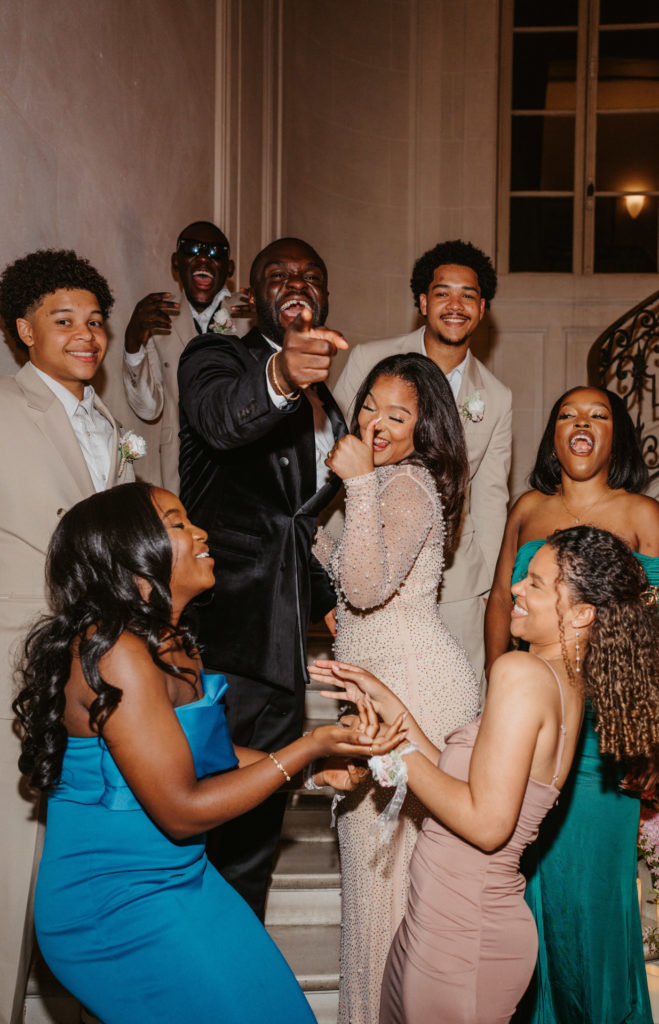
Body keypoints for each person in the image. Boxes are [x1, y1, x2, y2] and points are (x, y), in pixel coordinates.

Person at [12, 482, 405, 1024]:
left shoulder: (173, 644)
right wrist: (309, 745)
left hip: (183, 876)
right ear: (131, 554)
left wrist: (317, 770)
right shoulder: (116, 652)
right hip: (111, 902)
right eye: (178, 524)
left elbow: (214, 759)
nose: (201, 533)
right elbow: (181, 810)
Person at [311, 526, 659, 1024]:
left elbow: (487, 825)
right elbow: (462, 784)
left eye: (536, 583)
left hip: (462, 935)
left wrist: (392, 748)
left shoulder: (521, 674)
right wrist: (387, 701)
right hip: (442, 918)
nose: (515, 587)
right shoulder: (558, 680)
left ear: (582, 614)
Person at [0, 249, 137, 1024]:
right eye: (63, 320)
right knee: (2, 899)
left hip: (93, 687)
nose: (86, 335)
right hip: (5, 682)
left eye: (96, 321)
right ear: (23, 330)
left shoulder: (112, 425)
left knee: (78, 888)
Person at [177, 236, 348, 918]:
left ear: (326, 295)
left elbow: (294, 525)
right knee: (201, 819)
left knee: (255, 832)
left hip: (284, 646)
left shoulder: (330, 405)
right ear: (254, 296)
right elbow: (223, 423)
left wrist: (329, 601)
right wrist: (280, 374)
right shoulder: (215, 358)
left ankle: (238, 947)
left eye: (311, 274)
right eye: (279, 274)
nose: (297, 282)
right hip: (219, 638)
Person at [313, 352, 482, 1023]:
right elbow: (353, 575)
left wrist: (356, 483)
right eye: (368, 407)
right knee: (378, 883)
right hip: (385, 684)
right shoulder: (390, 484)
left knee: (384, 889)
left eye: (397, 414)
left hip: (410, 691)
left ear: (424, 427)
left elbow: (365, 586)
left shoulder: (406, 484)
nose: (375, 423)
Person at [485, 385, 659, 1023]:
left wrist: (649, 731)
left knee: (593, 900)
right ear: (553, 434)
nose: (581, 423)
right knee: (529, 894)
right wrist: (496, 688)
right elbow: (500, 602)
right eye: (567, 414)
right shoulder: (528, 509)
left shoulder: (642, 513)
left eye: (598, 415)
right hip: (533, 717)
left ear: (616, 435)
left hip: (608, 731)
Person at [334, 240, 511, 683]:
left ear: (482, 308)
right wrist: (328, 575)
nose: (455, 305)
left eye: (468, 295)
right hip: (367, 567)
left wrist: (487, 590)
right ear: (423, 301)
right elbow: (332, 457)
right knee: (369, 705)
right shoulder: (370, 359)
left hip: (454, 582)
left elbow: (490, 498)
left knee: (454, 702)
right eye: (442, 293)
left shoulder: (497, 396)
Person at [122, 220, 251, 491]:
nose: (203, 258)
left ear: (229, 267)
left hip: (242, 459)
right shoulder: (156, 315)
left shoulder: (251, 313)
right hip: (179, 468)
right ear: (176, 261)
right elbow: (148, 408)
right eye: (192, 249)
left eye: (215, 252)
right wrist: (133, 339)